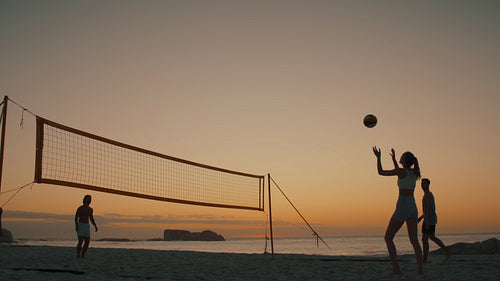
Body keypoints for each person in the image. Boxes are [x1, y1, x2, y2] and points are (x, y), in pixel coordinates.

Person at [373, 147, 423, 275]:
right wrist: (394, 158)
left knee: (388, 238)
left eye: (401, 157)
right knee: (414, 241)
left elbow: (381, 172)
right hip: (413, 206)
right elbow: (399, 171)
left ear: (404, 160)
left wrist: (378, 157)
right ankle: (420, 270)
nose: (399, 158)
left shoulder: (401, 172)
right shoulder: (414, 173)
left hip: (403, 206)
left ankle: (396, 268)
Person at [418, 178, 451, 262]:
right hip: (428, 218)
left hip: (430, 219)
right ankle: (446, 251)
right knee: (430, 237)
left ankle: (425, 259)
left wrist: (427, 221)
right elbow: (427, 209)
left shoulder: (428, 194)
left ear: (428, 184)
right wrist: (421, 218)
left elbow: (430, 208)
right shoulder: (426, 194)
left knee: (426, 238)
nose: (422, 185)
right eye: (422, 183)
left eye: (424, 183)